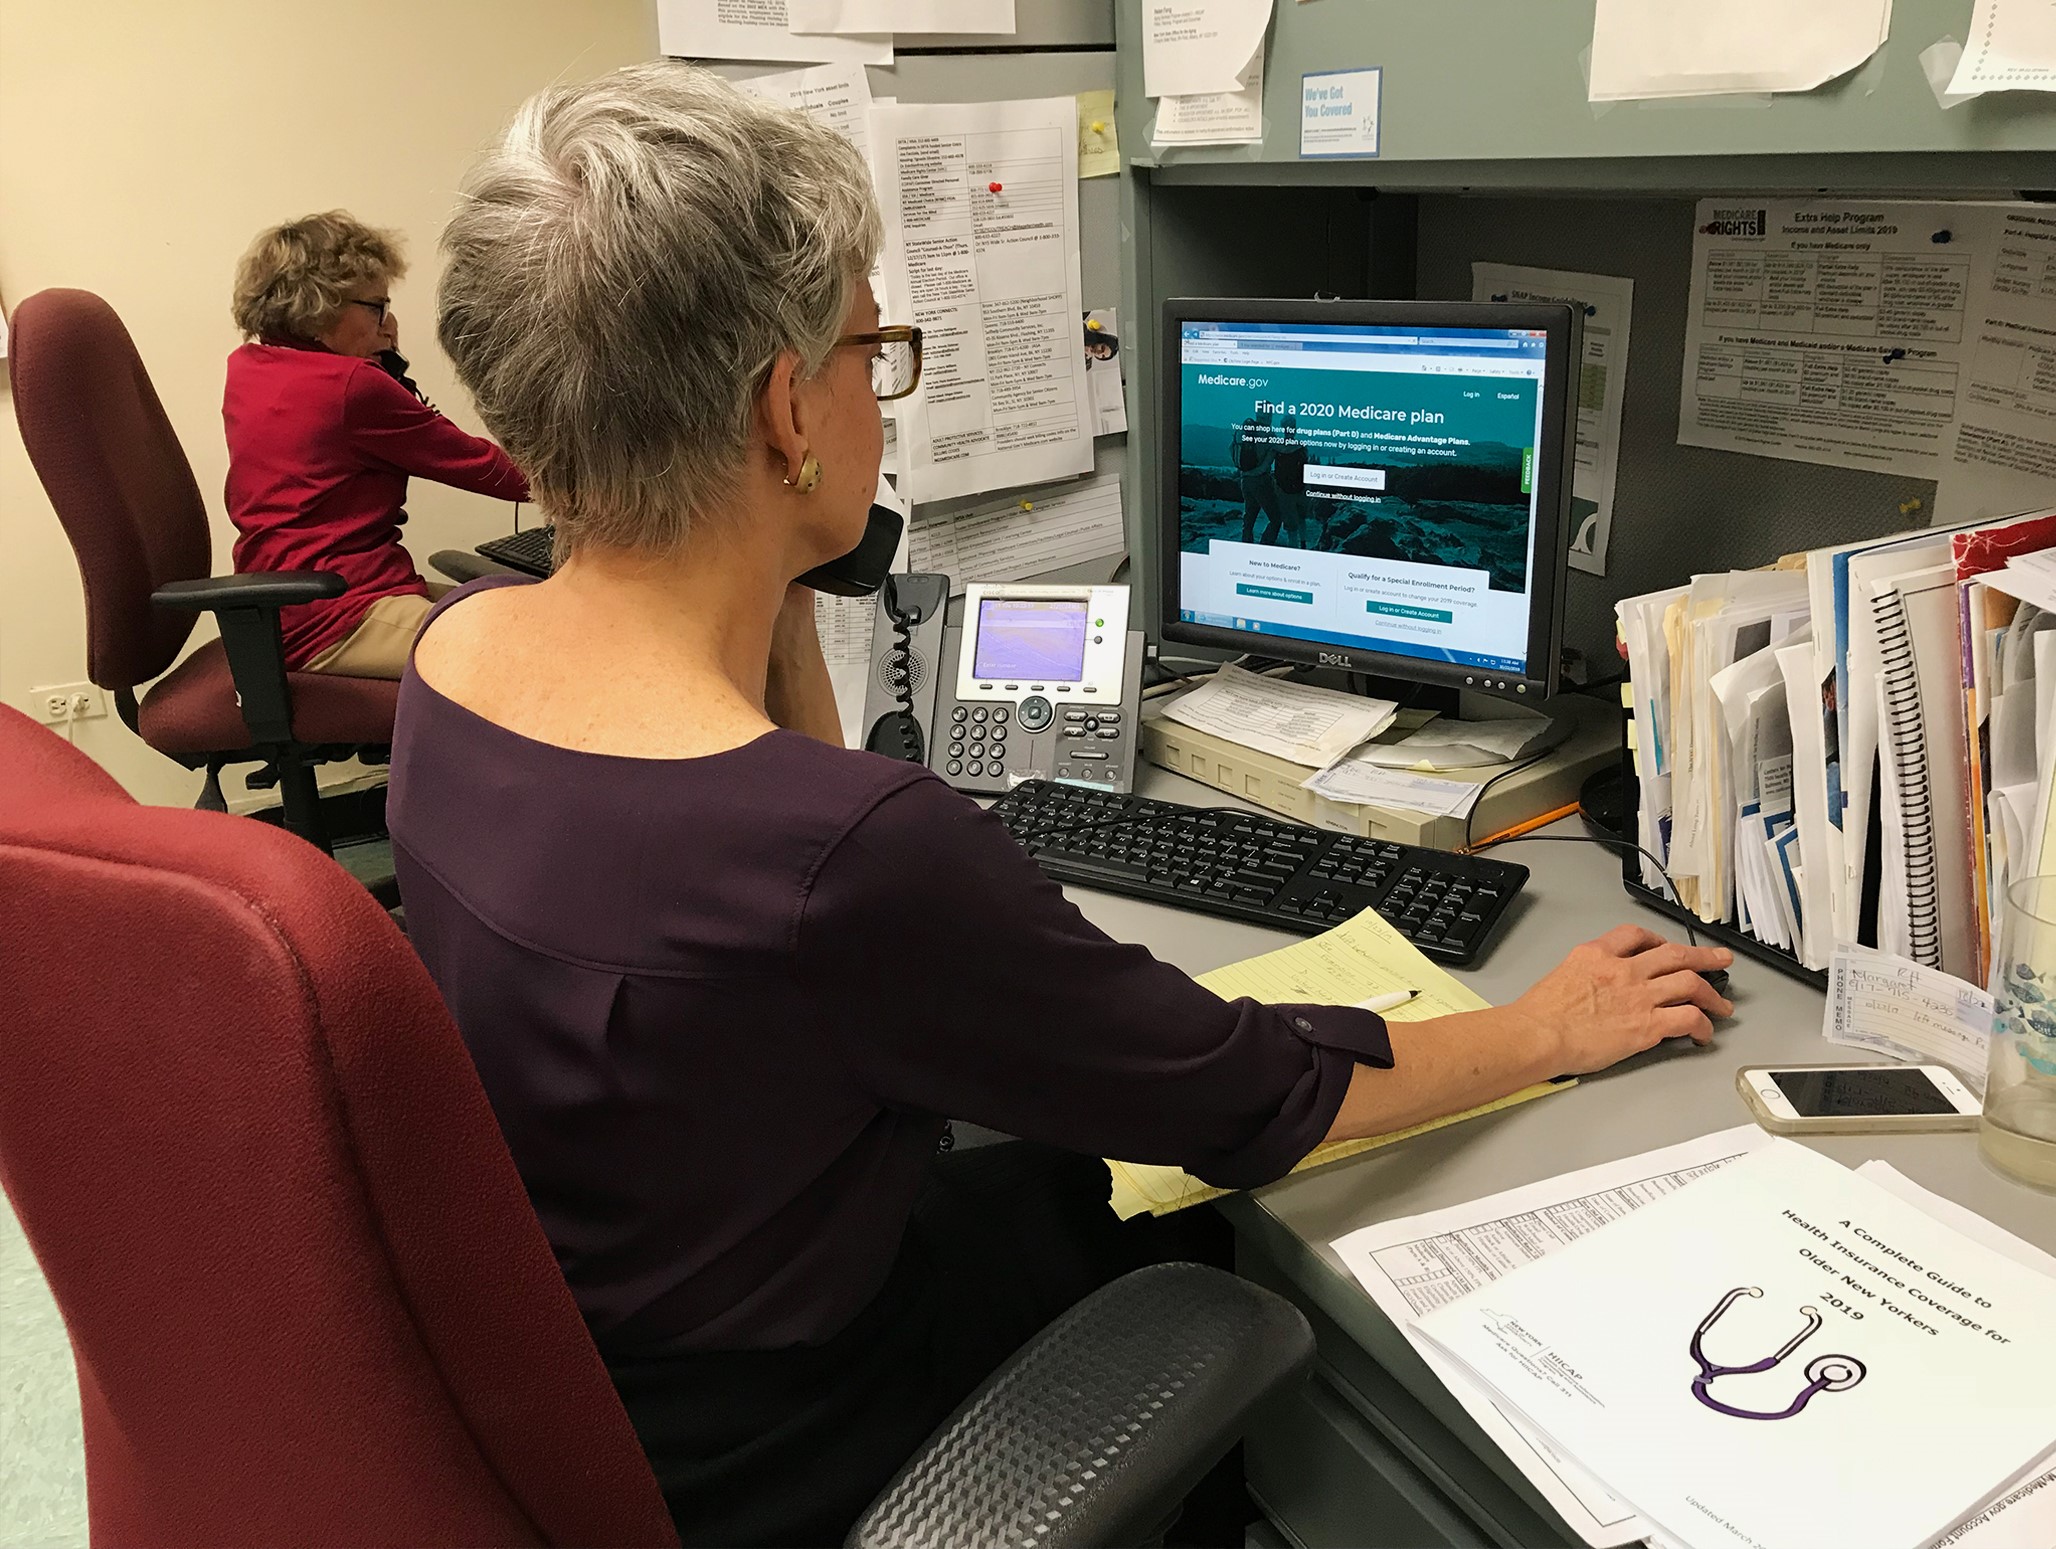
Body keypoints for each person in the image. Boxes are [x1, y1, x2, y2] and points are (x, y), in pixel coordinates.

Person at [389, 64, 1731, 1547]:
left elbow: (785, 806)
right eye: (868, 350)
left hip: (605, 1374)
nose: (877, 389)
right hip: (793, 1441)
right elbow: (1252, 1102)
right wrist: (1548, 1028)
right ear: (787, 406)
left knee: (1054, 1183)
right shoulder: (849, 860)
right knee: (1189, 1235)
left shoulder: (458, 661)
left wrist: (771, 559)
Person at [224, 211, 530, 678]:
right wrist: (611, 486)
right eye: (378, 307)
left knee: (526, 612)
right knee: (543, 652)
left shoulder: (250, 366)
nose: (390, 326)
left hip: (286, 607)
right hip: (336, 616)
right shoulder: (348, 386)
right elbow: (490, 470)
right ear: (320, 307)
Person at [1231, 409, 1285, 545]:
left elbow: (1231, 449)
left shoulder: (1242, 431)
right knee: (1276, 518)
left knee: (1249, 516)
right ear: (1268, 416)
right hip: (1261, 480)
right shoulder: (1268, 434)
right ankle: (1265, 547)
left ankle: (1246, 545)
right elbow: (1282, 449)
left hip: (1244, 480)